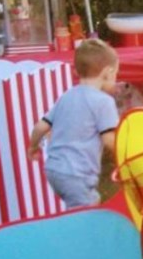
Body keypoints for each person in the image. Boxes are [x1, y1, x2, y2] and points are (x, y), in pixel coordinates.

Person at [28, 39, 120, 208]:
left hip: (54, 170)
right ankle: (76, 233)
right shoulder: (103, 102)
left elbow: (41, 126)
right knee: (86, 214)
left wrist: (33, 147)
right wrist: (127, 158)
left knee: (87, 204)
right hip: (76, 174)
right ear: (107, 72)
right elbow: (109, 140)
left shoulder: (67, 96)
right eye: (115, 75)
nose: (115, 80)